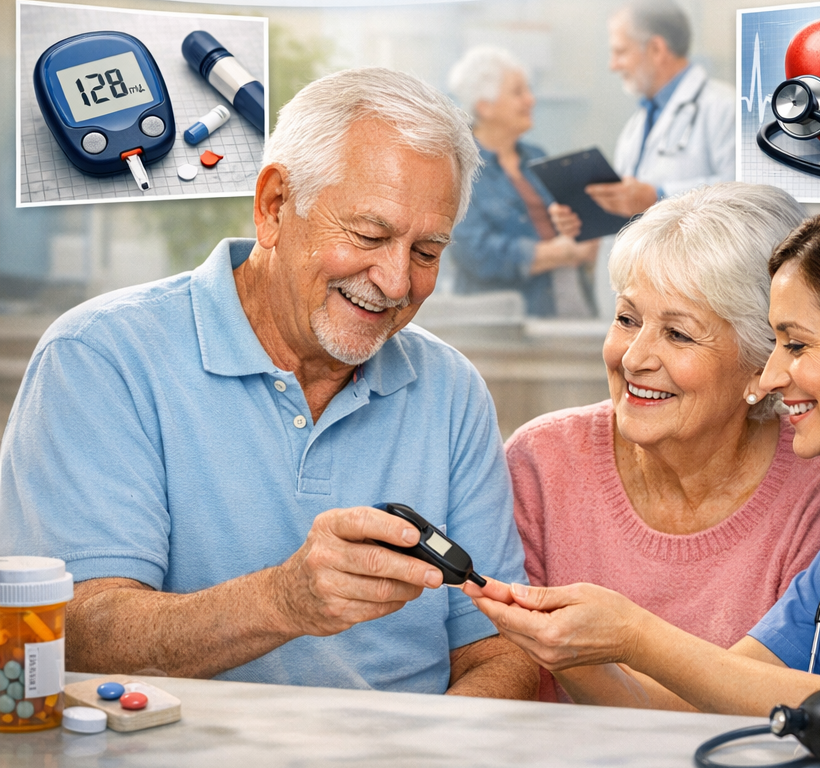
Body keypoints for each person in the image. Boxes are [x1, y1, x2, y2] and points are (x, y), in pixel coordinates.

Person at [0, 68, 537, 699]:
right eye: (369, 234)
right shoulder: (100, 356)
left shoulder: (452, 390)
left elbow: (501, 647)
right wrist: (283, 600)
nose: (396, 283)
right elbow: (74, 635)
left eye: (426, 252)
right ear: (274, 206)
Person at [467, 195, 820, 713]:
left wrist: (633, 633)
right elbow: (708, 697)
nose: (774, 373)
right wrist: (568, 647)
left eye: (796, 345)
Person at [503, 183, 820, 702]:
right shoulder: (541, 460)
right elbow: (508, 679)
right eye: (627, 319)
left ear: (761, 366)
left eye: (678, 334)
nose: (633, 359)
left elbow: (797, 710)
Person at [552, 0, 735, 238]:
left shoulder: (725, 106)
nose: (612, 65)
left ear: (656, 49)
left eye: (620, 51)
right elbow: (628, 210)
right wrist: (583, 217)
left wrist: (657, 196)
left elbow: (749, 195)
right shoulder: (638, 122)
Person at [447, 46, 596, 317]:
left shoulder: (537, 158)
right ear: (484, 106)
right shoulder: (458, 167)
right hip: (500, 325)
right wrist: (559, 253)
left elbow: (577, 227)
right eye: (518, 92)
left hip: (564, 310)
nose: (531, 100)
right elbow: (474, 251)